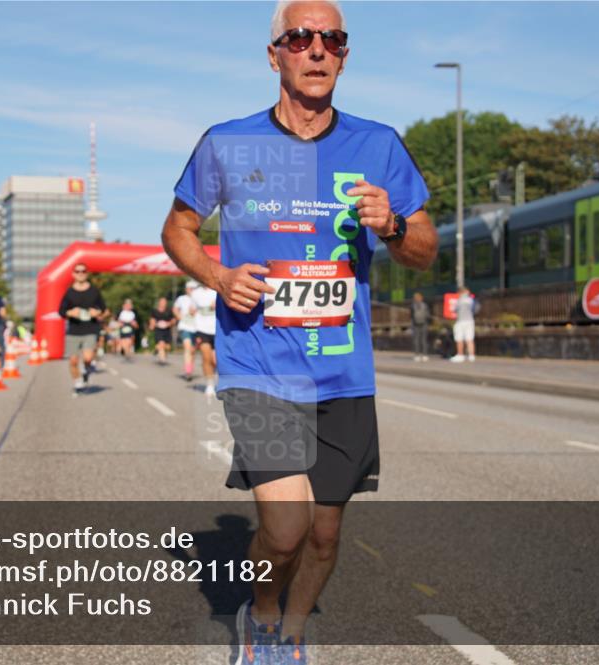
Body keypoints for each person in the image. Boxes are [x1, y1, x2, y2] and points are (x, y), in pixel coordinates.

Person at [160, 1, 438, 661]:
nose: (316, 49)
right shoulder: (228, 142)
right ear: (275, 54)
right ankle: (259, 612)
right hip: (260, 365)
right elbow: (178, 229)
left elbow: (424, 248)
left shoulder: (378, 145)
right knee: (285, 530)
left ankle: (293, 630)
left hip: (344, 371)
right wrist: (219, 276)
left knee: (324, 534)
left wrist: (394, 225)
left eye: (332, 39)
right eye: (300, 37)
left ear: (344, 55)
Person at [58, 263, 108, 394]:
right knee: (73, 361)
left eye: (83, 271)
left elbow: (103, 309)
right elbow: (61, 311)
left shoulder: (94, 291)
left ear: (87, 273)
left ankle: (86, 371)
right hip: (74, 330)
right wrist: (70, 312)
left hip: (90, 328)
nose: (80, 273)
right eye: (78, 271)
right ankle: (77, 380)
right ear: (73, 274)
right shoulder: (69, 292)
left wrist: (96, 312)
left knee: (87, 358)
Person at [190, 282, 218, 397]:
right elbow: (191, 310)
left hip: (217, 329)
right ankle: (210, 385)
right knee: (206, 357)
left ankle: (213, 374)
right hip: (201, 329)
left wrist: (218, 306)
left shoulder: (217, 290)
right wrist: (192, 311)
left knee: (215, 361)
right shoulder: (195, 293)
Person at [173, 280, 199, 380]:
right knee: (187, 348)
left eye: (194, 288)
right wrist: (180, 317)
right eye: (190, 288)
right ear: (186, 289)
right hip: (185, 326)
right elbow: (175, 309)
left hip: (197, 327)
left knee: (193, 351)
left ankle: (190, 369)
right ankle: (188, 372)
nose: (192, 290)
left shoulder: (199, 298)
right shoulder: (181, 299)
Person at [451, 286, 476, 362]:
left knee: (459, 338)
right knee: (470, 339)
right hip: (470, 320)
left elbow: (454, 310)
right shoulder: (471, 300)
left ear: (460, 292)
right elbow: (475, 309)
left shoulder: (459, 300)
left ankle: (460, 355)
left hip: (461, 321)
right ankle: (471, 355)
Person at [149, 297, 176, 365]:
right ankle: (162, 359)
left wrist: (169, 323)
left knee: (167, 347)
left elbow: (173, 320)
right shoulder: (155, 311)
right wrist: (152, 325)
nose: (163, 303)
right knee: (161, 343)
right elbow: (152, 320)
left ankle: (157, 348)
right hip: (158, 330)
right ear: (159, 303)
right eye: (162, 302)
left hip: (167, 330)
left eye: (165, 302)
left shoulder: (169, 311)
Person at [410, 292, 430, 361]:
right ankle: (425, 355)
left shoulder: (412, 306)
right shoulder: (425, 305)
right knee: (423, 340)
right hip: (424, 323)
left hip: (415, 324)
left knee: (416, 340)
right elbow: (428, 315)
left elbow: (411, 315)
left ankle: (417, 355)